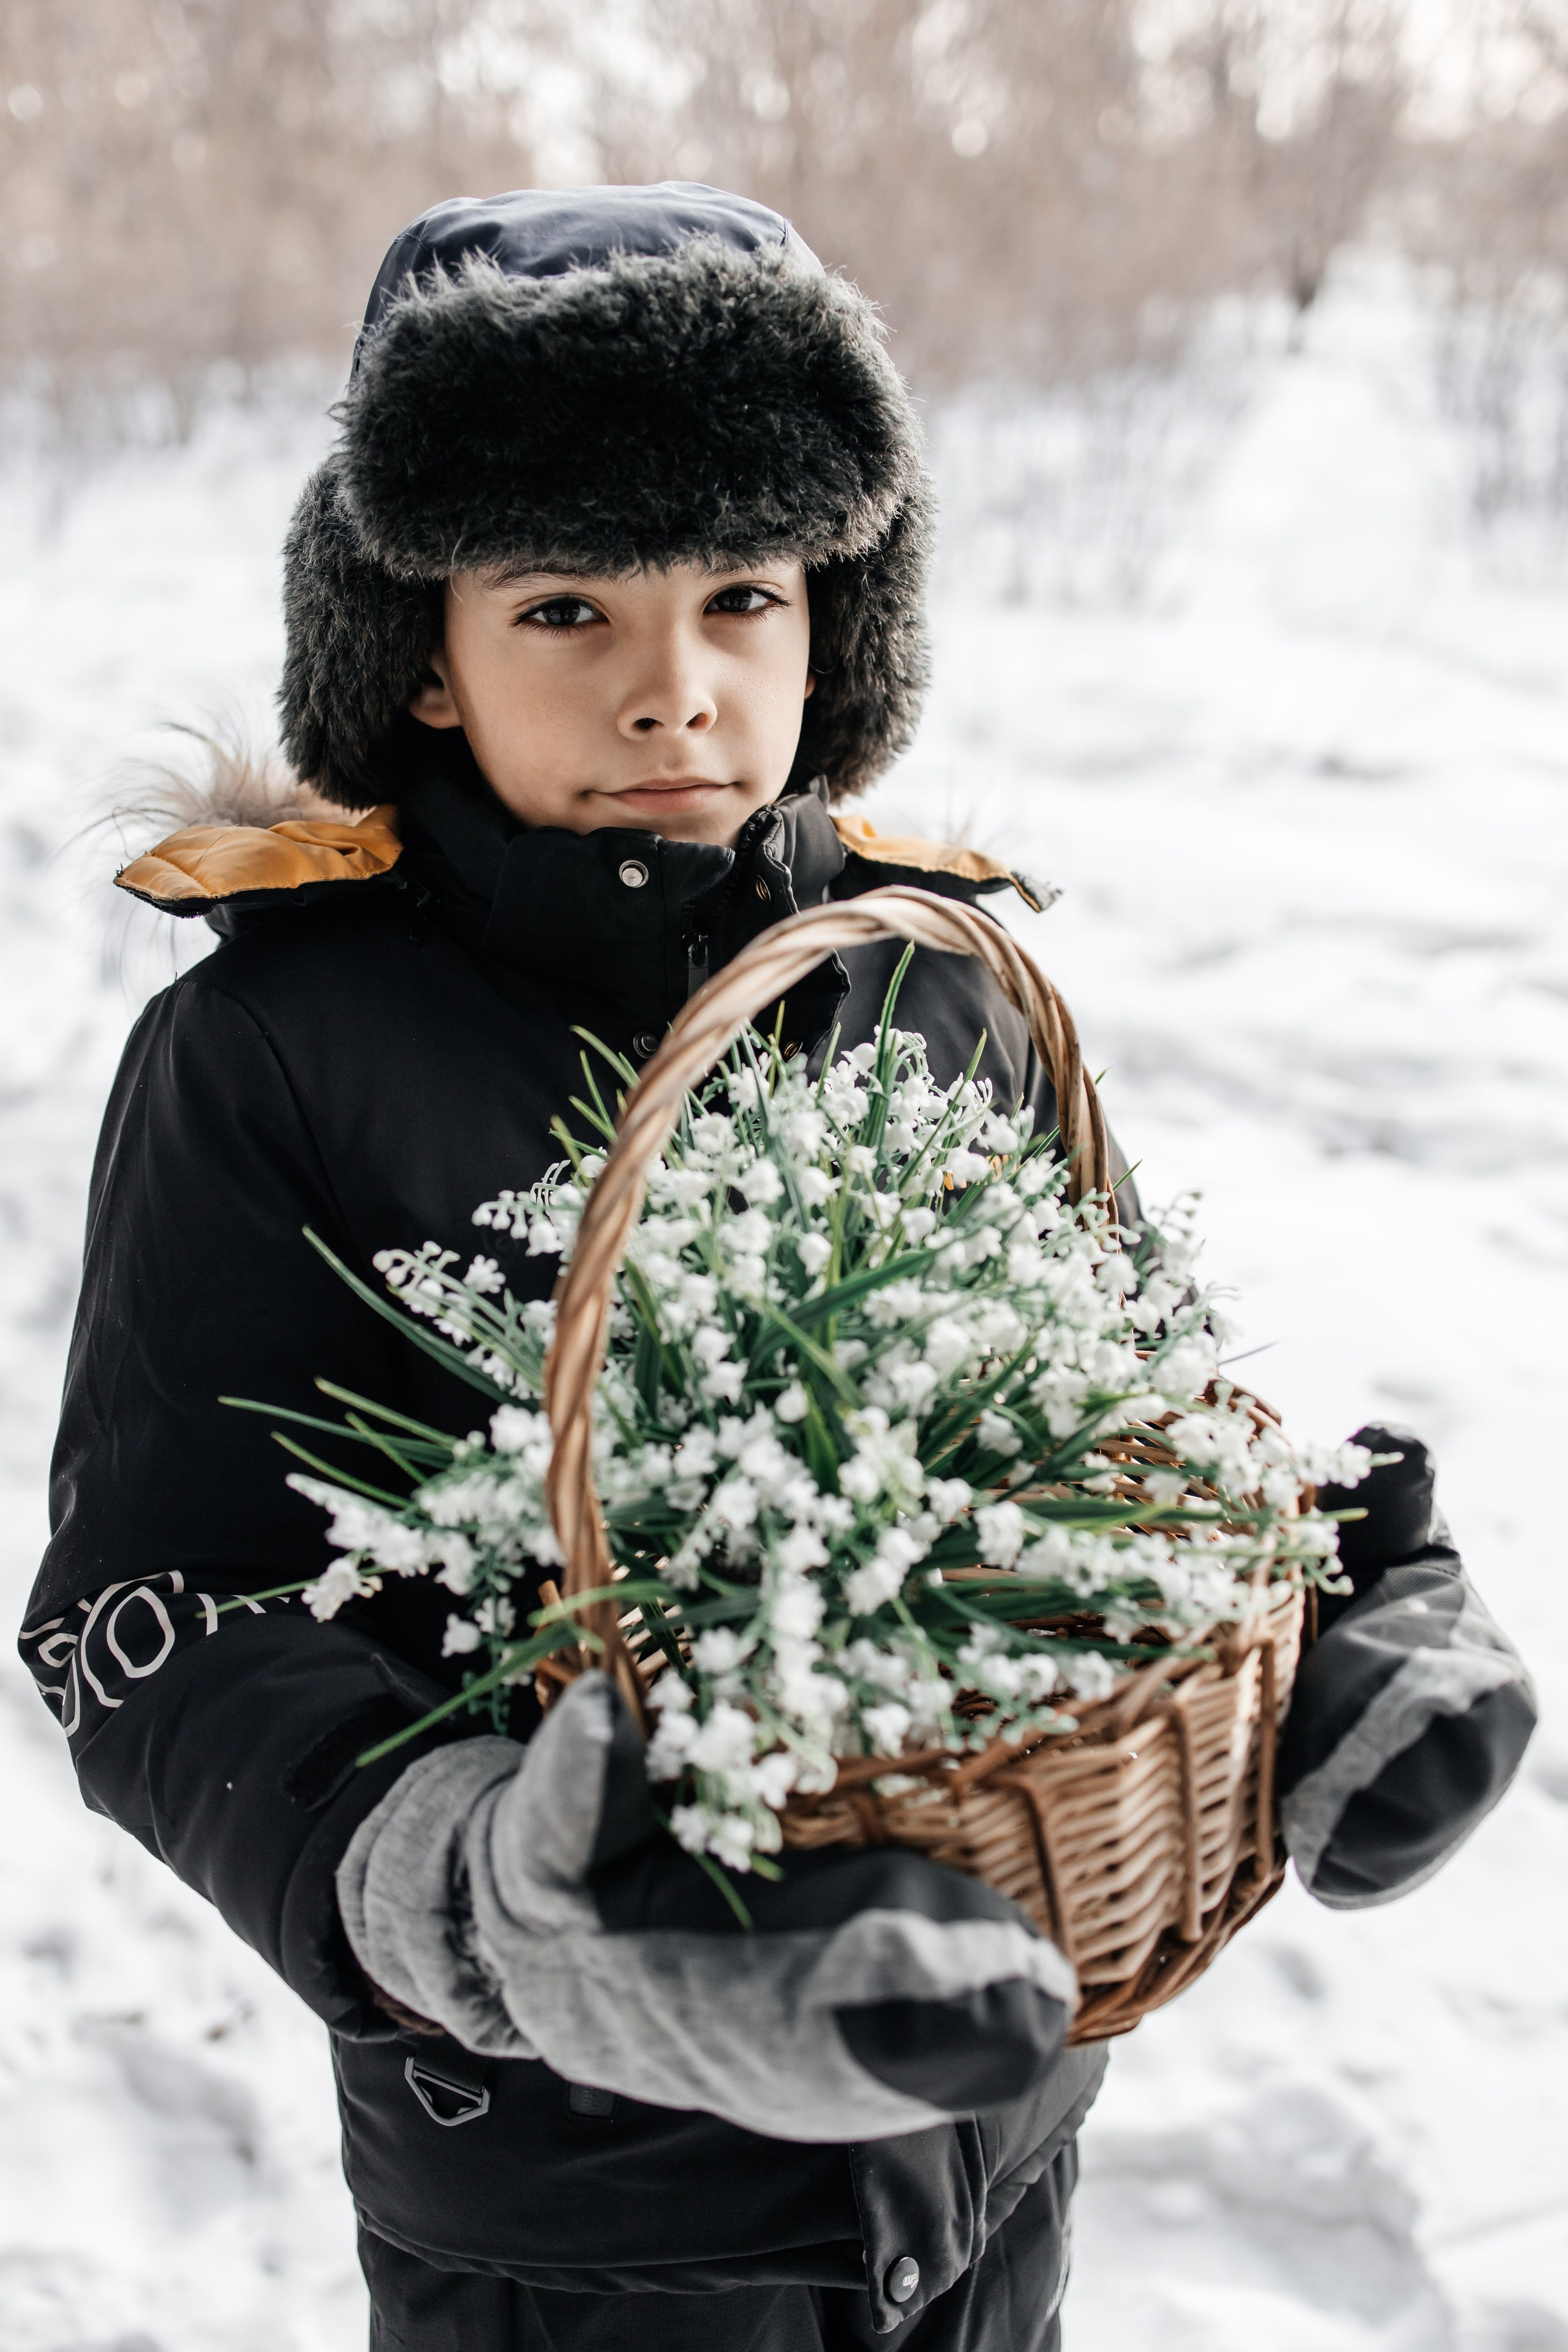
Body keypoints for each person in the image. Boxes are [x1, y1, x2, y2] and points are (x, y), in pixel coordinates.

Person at [20, 184, 1535, 2352]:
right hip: (580, 2195)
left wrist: (1309, 1638)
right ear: (420, 658)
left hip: (986, 2102)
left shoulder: (930, 980)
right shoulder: (277, 1046)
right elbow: (157, 1616)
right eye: (566, 608)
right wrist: (490, 1906)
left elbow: (1100, 1434)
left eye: (743, 592)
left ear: (839, 611)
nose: (677, 689)